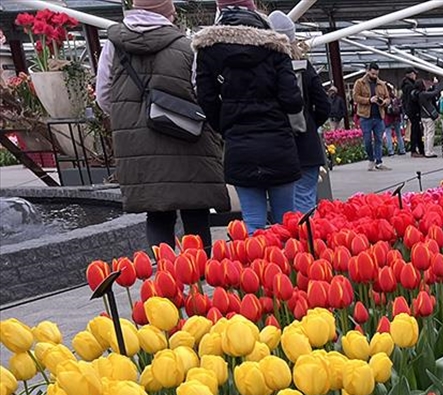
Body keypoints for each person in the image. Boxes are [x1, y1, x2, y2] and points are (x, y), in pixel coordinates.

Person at [95, 0, 228, 252]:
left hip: (135, 144)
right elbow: (201, 91)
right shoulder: (186, 45)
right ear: (166, 12)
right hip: (186, 137)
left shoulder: (113, 46)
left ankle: (166, 277)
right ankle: (200, 275)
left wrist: (131, 117)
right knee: (195, 207)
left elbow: (104, 96)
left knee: (156, 212)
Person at [194, 0, 303, 232]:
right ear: (252, 7)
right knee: (287, 224)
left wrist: (225, 125)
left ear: (219, 9)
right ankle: (290, 267)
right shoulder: (276, 46)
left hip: (239, 145)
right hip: (278, 144)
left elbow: (205, 98)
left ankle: (261, 268)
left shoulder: (208, 49)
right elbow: (293, 100)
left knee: (253, 224)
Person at [267, 11, 329, 215]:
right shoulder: (304, 66)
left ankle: (288, 245)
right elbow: (323, 105)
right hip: (306, 146)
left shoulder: (263, 68)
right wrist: (308, 123)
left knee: (282, 210)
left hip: (275, 146)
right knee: (304, 203)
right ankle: (305, 243)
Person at [352, 63, 391, 170]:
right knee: (367, 140)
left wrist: (383, 102)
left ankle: (379, 162)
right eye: (372, 73)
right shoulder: (360, 83)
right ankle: (370, 159)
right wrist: (369, 100)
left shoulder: (381, 84)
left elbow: (388, 98)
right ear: (367, 71)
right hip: (365, 116)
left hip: (379, 116)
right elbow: (355, 97)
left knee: (378, 140)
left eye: (376, 74)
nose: (374, 76)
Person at [401, 69, 425, 157]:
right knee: (415, 130)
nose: (415, 76)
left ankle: (420, 149)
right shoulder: (410, 86)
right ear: (411, 74)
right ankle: (414, 150)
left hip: (409, 110)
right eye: (414, 74)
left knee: (417, 129)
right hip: (413, 110)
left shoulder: (405, 84)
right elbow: (412, 99)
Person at [418, 78, 442, 158]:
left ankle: (426, 150)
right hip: (428, 116)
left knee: (425, 134)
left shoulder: (418, 94)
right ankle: (429, 151)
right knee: (430, 134)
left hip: (422, 116)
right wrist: (436, 85)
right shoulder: (423, 94)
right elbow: (434, 93)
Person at [383, 82, 407, 156]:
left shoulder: (385, 99)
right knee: (398, 134)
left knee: (388, 134)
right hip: (396, 117)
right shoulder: (395, 98)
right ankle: (402, 149)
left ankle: (391, 151)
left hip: (388, 118)